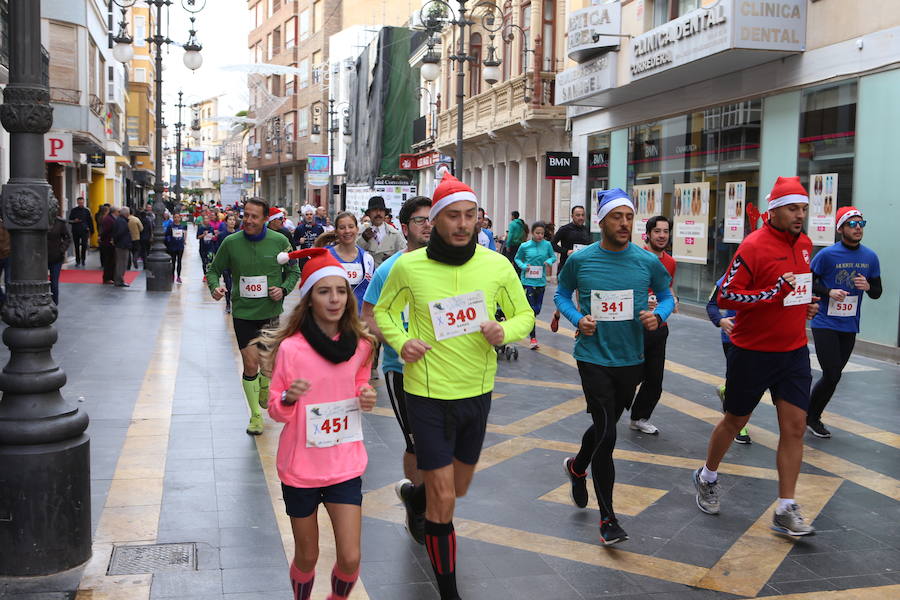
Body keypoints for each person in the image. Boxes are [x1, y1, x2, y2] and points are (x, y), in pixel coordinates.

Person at [374, 174, 533, 600]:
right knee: (446, 499)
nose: (462, 224)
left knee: (456, 485)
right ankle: (449, 592)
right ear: (437, 220)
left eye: (469, 215)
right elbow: (383, 313)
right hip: (425, 393)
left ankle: (415, 495)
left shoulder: (497, 265)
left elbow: (524, 316)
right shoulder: (408, 266)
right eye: (452, 216)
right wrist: (402, 340)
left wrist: (504, 331)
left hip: (477, 392)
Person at [694, 176, 820, 537]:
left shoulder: (807, 244)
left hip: (794, 351)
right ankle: (707, 476)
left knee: (795, 428)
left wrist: (804, 305)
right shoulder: (752, 246)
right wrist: (773, 295)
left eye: (803, 209)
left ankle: (785, 507)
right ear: (775, 210)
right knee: (734, 421)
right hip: (752, 352)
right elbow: (727, 297)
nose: (800, 215)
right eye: (793, 209)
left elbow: (793, 292)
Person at [555, 189, 674, 546]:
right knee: (607, 434)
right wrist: (578, 318)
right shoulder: (581, 260)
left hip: (631, 359)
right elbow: (561, 294)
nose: (624, 224)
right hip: (592, 356)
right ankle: (608, 519)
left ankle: (577, 467)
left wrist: (658, 315)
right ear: (601, 221)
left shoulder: (646, 261)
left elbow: (667, 296)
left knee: (603, 424)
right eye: (616, 217)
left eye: (629, 217)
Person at [258, 247, 376, 600]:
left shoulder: (362, 345)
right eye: (324, 291)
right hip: (301, 468)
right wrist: (289, 398)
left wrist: (365, 394)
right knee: (307, 556)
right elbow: (276, 410)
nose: (335, 299)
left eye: (340, 290)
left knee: (351, 557)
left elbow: (359, 383)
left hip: (344, 463)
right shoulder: (292, 349)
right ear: (309, 299)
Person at [361, 196, 433, 541]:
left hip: (444, 371)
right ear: (404, 228)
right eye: (420, 220)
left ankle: (414, 494)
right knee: (417, 444)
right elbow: (369, 314)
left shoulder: (449, 266)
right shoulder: (389, 269)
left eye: (432, 219)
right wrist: (396, 340)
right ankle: (420, 508)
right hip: (401, 368)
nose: (428, 225)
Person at [206, 198, 300, 435]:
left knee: (267, 365)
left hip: (270, 313)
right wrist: (215, 288)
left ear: (265, 219)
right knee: (251, 364)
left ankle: (265, 384)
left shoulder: (280, 241)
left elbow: (293, 271)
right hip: (243, 313)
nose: (247, 220)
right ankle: (255, 416)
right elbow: (214, 270)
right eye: (245, 215)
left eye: (253, 216)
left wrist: (284, 289)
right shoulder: (231, 242)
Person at [807, 206, 882, 438]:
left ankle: (809, 415)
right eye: (852, 224)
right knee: (831, 374)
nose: (858, 227)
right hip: (824, 322)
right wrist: (829, 292)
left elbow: (878, 291)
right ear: (841, 229)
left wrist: (868, 287)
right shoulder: (827, 255)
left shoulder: (870, 257)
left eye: (861, 223)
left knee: (835, 374)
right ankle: (812, 417)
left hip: (849, 324)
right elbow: (808, 282)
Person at [628, 216, 677, 435]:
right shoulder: (636, 258)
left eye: (665, 231)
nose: (662, 235)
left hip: (659, 326)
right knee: (630, 374)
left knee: (655, 378)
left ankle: (639, 417)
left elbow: (667, 291)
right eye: (657, 231)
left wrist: (673, 301)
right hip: (635, 327)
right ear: (648, 234)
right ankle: (610, 408)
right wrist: (642, 302)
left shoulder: (671, 262)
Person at [706, 276, 752, 444]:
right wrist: (720, 320)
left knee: (749, 381)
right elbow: (711, 305)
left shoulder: (772, 276)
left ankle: (728, 390)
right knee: (741, 381)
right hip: (733, 339)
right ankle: (737, 423)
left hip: (762, 339)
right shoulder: (728, 278)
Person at [550, 205, 592, 332]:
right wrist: (566, 251)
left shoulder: (586, 230)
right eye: (578, 215)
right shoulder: (565, 229)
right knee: (564, 295)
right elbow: (552, 244)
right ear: (572, 216)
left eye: (582, 215)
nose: (580, 218)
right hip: (566, 267)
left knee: (581, 298)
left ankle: (579, 324)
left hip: (582, 268)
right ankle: (557, 314)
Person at [515, 221, 556, 349]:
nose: (539, 236)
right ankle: (533, 338)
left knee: (537, 309)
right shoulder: (524, 246)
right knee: (532, 310)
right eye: (537, 233)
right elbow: (517, 258)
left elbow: (553, 257)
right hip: (527, 281)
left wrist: (549, 261)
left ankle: (527, 322)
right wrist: (523, 266)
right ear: (532, 233)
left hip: (541, 281)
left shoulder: (547, 245)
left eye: (542, 234)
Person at [326, 212, 375, 314]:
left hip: (359, 321)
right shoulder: (326, 257)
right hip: (333, 319)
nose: (347, 231)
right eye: (342, 227)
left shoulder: (367, 259)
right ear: (336, 231)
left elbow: (372, 293)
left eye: (351, 227)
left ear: (357, 229)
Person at [357, 196, 405, 267]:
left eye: (381, 210)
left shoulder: (394, 233)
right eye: (374, 210)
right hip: (367, 276)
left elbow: (404, 256)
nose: (378, 213)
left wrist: (393, 260)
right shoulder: (359, 232)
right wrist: (363, 239)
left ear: (385, 213)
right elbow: (353, 254)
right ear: (369, 213)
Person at [218, 213, 242, 313]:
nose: (232, 221)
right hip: (226, 263)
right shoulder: (222, 235)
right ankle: (228, 303)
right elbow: (218, 249)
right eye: (230, 219)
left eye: (233, 220)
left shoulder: (239, 234)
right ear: (226, 221)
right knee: (228, 283)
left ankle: (237, 302)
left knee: (237, 283)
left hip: (237, 263)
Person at [47, 213, 71, 304]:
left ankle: (54, 302)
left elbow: (67, 238)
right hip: (40, 257)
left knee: (54, 282)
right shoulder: (38, 220)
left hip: (56, 256)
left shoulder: (59, 222)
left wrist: (62, 249)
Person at [67, 196, 93, 267]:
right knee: (76, 246)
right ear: (77, 202)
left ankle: (83, 260)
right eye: (79, 203)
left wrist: (91, 230)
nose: (80, 204)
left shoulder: (87, 211)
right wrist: (74, 221)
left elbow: (90, 221)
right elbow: (69, 220)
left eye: (81, 202)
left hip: (84, 230)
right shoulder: (73, 210)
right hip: (76, 230)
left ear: (83, 202)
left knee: (84, 245)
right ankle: (77, 261)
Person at [165, 213, 188, 284]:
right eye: (175, 217)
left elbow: (185, 234)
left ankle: (178, 276)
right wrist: (169, 240)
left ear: (180, 218)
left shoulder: (182, 226)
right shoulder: (170, 226)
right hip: (172, 246)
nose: (176, 219)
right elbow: (167, 235)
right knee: (173, 261)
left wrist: (184, 240)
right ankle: (172, 276)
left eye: (178, 217)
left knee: (179, 261)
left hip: (180, 246)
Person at [113, 207, 133, 287]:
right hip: (122, 245)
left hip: (121, 244)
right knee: (122, 263)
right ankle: (119, 280)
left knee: (121, 263)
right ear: (126, 213)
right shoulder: (122, 221)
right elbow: (119, 233)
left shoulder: (120, 220)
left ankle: (118, 279)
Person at [99, 206, 117, 284]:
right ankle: (107, 278)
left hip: (109, 242)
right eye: (118, 211)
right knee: (109, 261)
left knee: (111, 261)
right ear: (114, 212)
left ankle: (111, 277)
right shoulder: (108, 219)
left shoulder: (110, 218)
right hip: (108, 243)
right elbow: (105, 231)